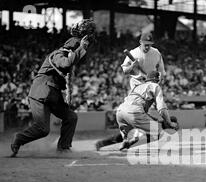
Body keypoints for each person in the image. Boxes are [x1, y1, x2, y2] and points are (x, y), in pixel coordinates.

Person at [10, 19, 96, 157]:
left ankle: (63, 148)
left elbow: (69, 68)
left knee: (71, 117)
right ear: (69, 47)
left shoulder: (68, 55)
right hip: (41, 94)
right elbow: (66, 64)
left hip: (53, 95)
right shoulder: (57, 54)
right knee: (42, 129)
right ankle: (18, 139)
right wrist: (81, 48)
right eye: (74, 48)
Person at [95, 71, 178, 151]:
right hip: (134, 112)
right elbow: (161, 109)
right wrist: (169, 123)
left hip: (120, 111)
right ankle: (133, 143)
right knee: (158, 132)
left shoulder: (138, 87)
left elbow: (142, 113)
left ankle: (104, 143)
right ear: (157, 79)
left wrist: (154, 120)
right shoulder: (155, 86)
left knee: (128, 135)